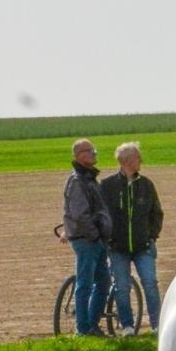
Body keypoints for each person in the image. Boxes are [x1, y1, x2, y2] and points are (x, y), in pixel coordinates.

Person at [100, 141, 164, 334]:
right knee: (121, 287)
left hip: (142, 246)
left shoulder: (146, 185)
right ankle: (127, 326)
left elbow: (156, 213)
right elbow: (101, 214)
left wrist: (151, 235)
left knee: (150, 283)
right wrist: (108, 238)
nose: (141, 160)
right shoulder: (107, 185)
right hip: (117, 248)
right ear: (127, 161)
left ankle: (157, 325)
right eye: (138, 157)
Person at [62, 138, 113, 336]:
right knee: (85, 284)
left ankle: (92, 325)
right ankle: (83, 329)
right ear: (78, 156)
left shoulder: (89, 178)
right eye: (89, 151)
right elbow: (80, 214)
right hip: (87, 240)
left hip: (95, 239)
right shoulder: (77, 181)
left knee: (103, 282)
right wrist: (94, 235)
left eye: (94, 150)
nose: (94, 154)